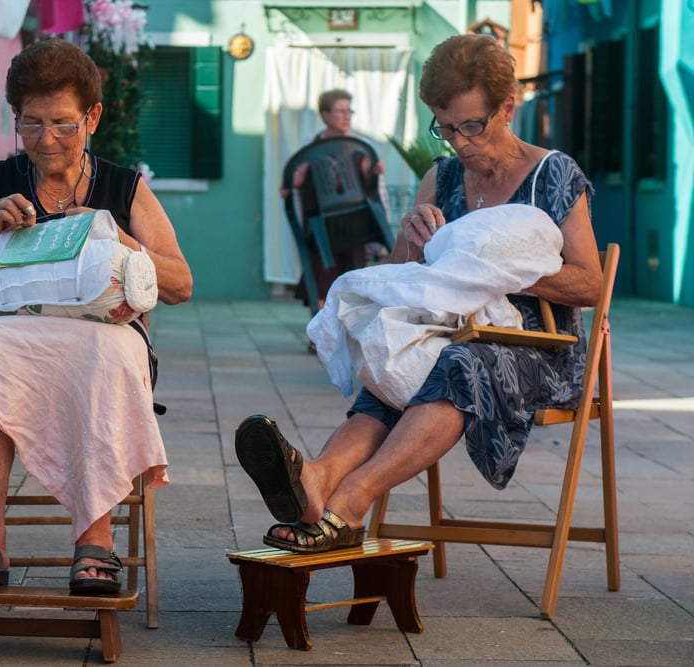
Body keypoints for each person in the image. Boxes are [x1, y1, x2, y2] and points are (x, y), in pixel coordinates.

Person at [236, 34, 602, 553]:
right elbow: (398, 282)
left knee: (456, 363)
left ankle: (352, 501)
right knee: (400, 361)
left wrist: (495, 271)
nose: (460, 142)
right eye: (446, 127)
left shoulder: (551, 174)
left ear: (507, 108)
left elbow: (590, 283)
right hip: (448, 333)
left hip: (542, 350)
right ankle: (316, 480)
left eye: (471, 125)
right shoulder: (443, 176)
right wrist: (412, 238)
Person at [0, 39, 192, 593]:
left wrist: (120, 236)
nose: (46, 140)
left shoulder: (123, 187)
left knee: (106, 353)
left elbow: (180, 283)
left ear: (93, 117)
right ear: (15, 119)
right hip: (10, 338)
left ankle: (95, 541)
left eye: (63, 124)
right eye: (31, 124)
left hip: (103, 339)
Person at [286, 89, 391, 315]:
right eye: (340, 111)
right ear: (325, 115)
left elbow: (372, 187)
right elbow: (295, 183)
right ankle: (320, 327)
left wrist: (373, 172)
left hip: (353, 223)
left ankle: (346, 327)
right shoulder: (311, 146)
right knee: (322, 267)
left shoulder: (359, 146)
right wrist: (295, 181)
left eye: (349, 111)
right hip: (321, 223)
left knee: (351, 268)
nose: (346, 116)